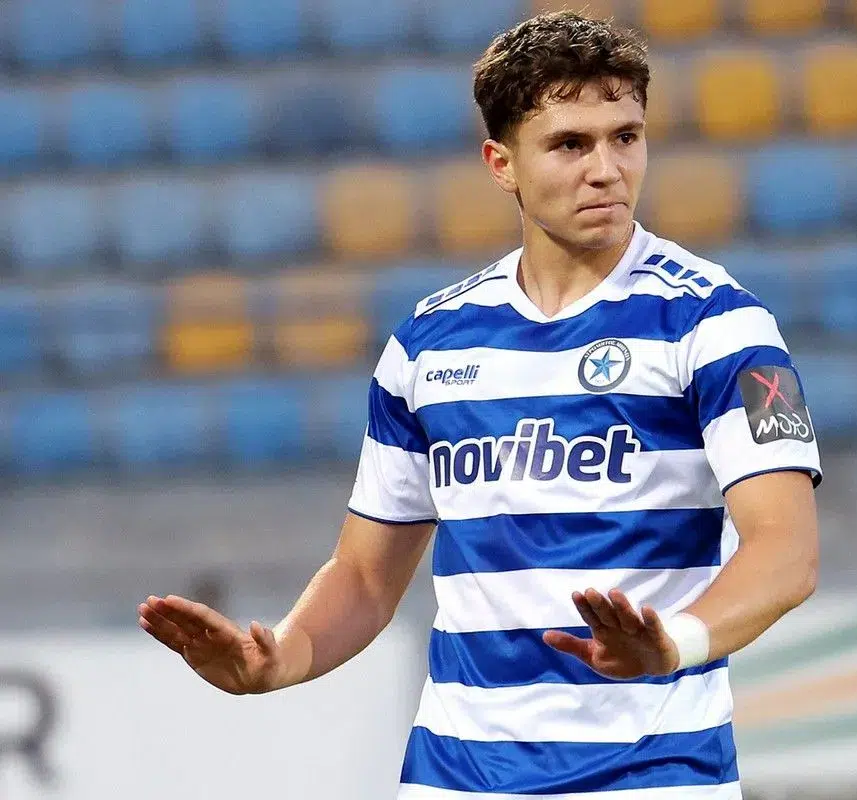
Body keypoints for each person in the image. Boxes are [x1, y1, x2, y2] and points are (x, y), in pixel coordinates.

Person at [137, 11, 822, 799]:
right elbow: (366, 576)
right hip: (457, 778)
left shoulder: (718, 324)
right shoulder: (429, 345)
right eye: (570, 144)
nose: (606, 169)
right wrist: (279, 659)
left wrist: (673, 643)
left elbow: (787, 551)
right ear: (502, 164)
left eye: (625, 137)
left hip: (653, 778)